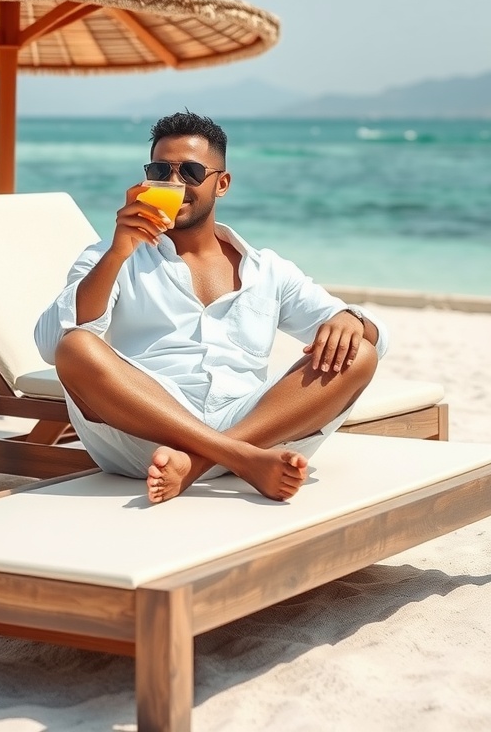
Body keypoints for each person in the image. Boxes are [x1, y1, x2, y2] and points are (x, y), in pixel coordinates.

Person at [35, 111, 388, 505]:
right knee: (76, 347)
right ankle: (237, 457)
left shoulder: (266, 269)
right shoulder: (111, 254)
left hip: (257, 431)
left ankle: (202, 461)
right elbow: (53, 344)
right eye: (160, 170)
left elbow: (374, 336)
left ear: (222, 184)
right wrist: (119, 252)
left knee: (360, 352)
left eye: (189, 172)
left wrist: (349, 318)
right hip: (148, 440)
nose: (173, 183)